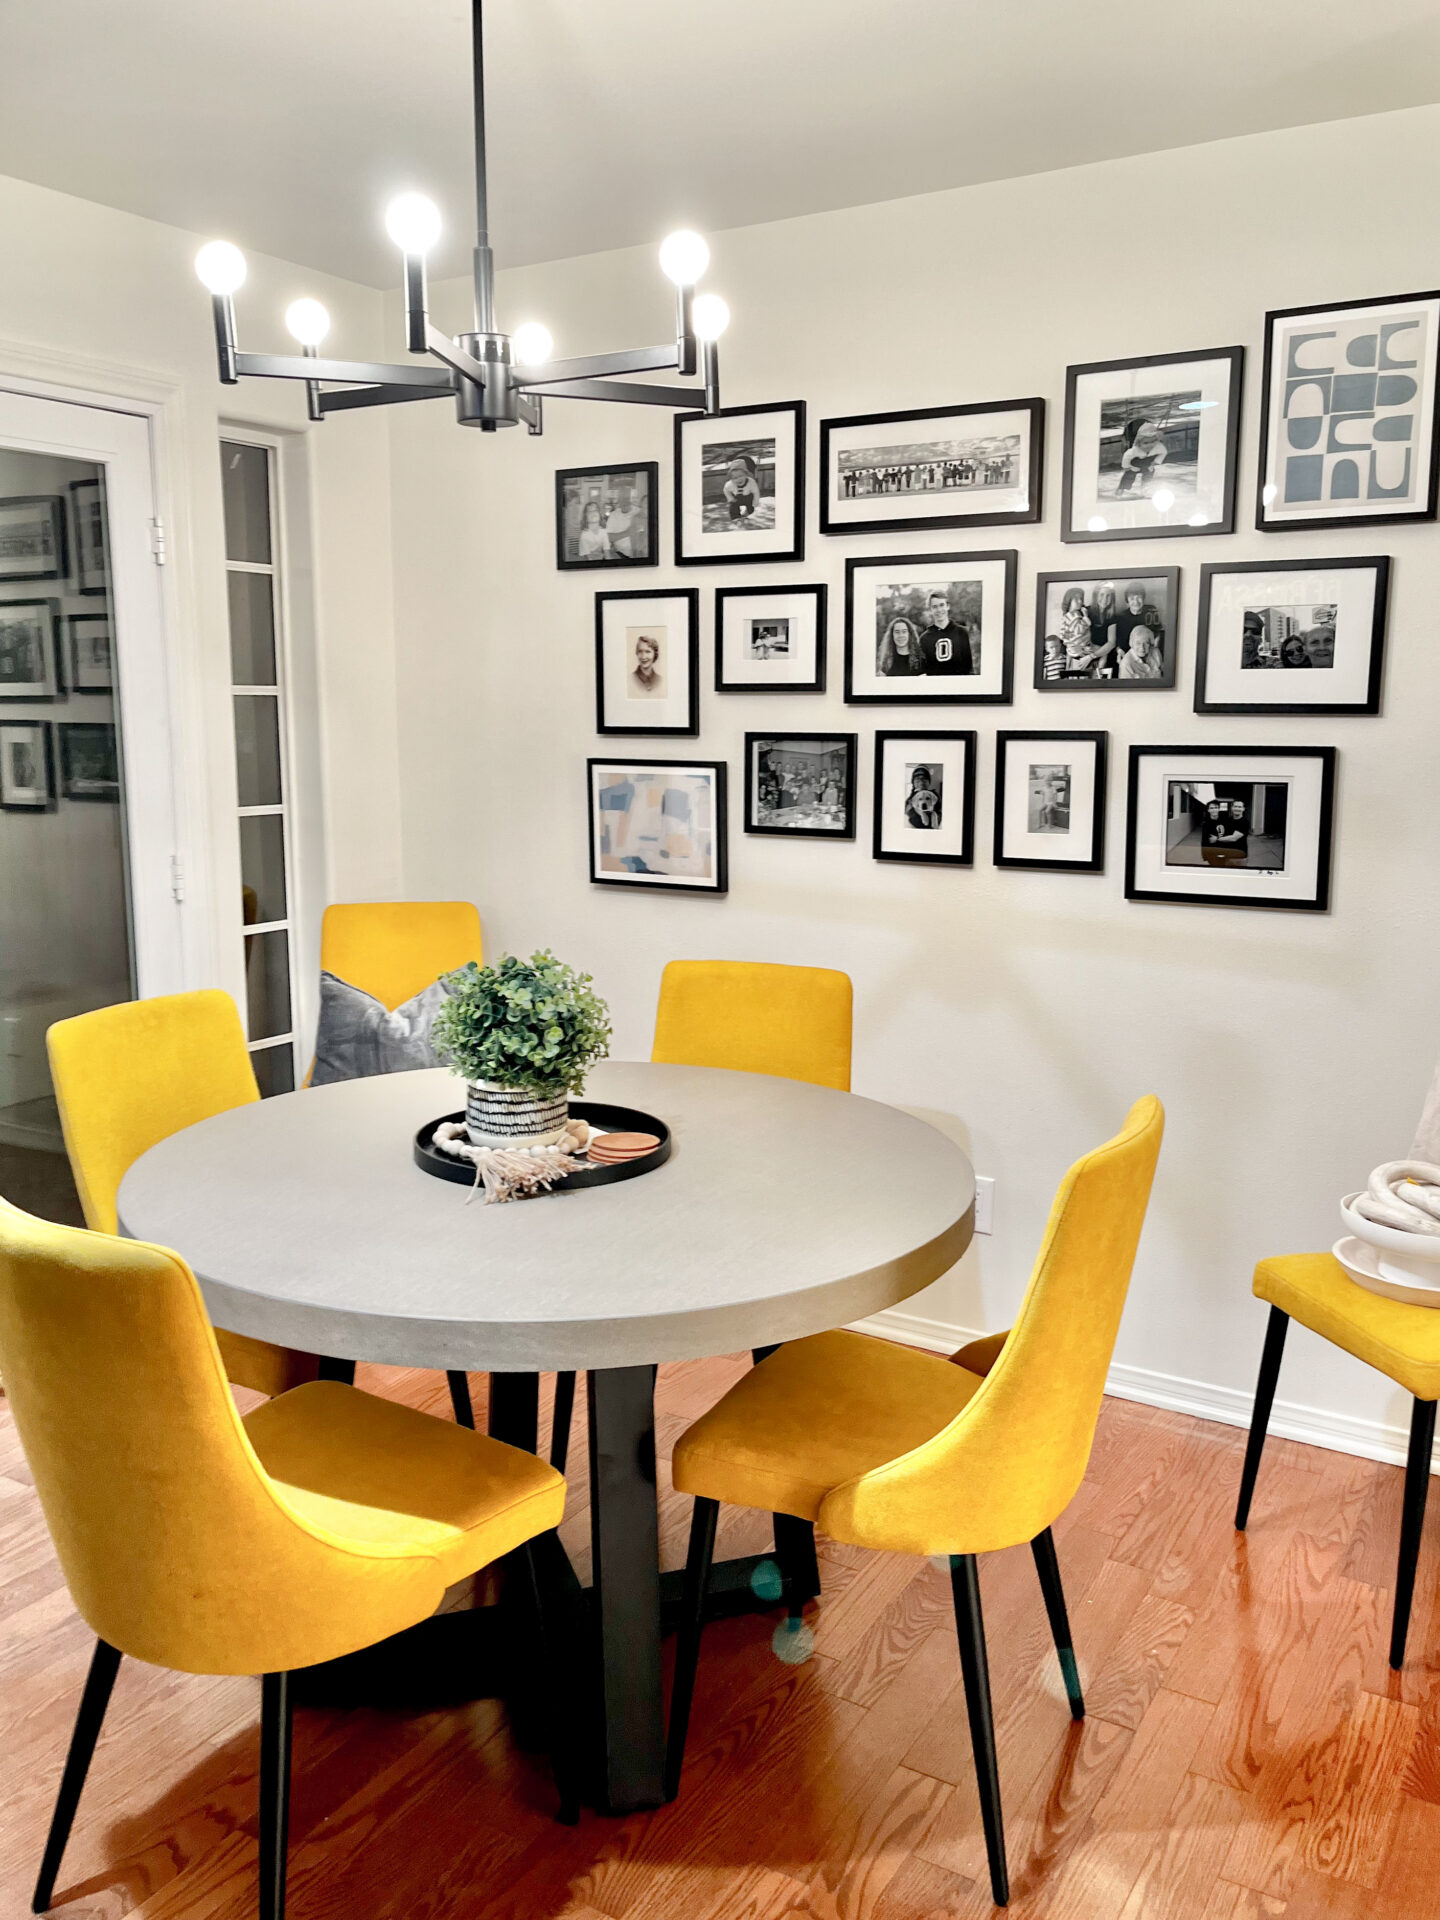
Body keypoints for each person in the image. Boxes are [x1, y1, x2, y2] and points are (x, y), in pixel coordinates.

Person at [918, 589, 976, 674]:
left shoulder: (961, 632)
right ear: (930, 609)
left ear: (948, 606)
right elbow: (923, 670)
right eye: (935, 606)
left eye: (942, 605)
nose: (939, 610)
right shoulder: (925, 638)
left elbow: (968, 667)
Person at [1051, 586, 1099, 678]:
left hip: (1074, 649)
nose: (1080, 601)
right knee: (1102, 651)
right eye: (1076, 599)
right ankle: (1099, 673)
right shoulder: (1074, 616)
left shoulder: (1066, 616)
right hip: (1080, 649)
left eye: (1081, 599)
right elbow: (1079, 630)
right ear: (1069, 601)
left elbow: (1063, 635)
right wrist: (1085, 617)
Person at [1111, 584, 1159, 674]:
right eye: (1132, 599)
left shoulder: (1151, 610)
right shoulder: (1121, 617)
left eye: (1139, 598)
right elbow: (1117, 641)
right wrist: (1119, 651)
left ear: (1143, 598)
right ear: (1127, 601)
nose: (1136, 602)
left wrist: (1154, 651)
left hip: (1147, 653)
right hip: (1129, 656)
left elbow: (1157, 633)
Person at [1116, 417, 1168, 496]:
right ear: (1139, 443)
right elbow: (1126, 457)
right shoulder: (1134, 450)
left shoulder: (1158, 447)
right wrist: (1127, 467)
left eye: (1153, 441)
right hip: (1134, 463)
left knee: (1149, 473)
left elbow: (1163, 452)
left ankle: (1145, 488)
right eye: (1146, 443)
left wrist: (1154, 463)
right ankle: (1122, 488)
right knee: (1129, 475)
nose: (1150, 445)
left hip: (1148, 463)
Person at [723, 456, 761, 524]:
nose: (738, 479)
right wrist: (730, 498)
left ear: (746, 474)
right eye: (735, 478)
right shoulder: (730, 484)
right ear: (731, 478)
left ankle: (746, 514)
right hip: (736, 498)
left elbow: (756, 492)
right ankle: (736, 518)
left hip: (748, 497)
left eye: (740, 476)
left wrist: (755, 502)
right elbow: (725, 490)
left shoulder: (751, 482)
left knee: (751, 507)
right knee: (733, 507)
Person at [630, 633, 664, 698]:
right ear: (636, 653)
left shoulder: (660, 680)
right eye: (640, 651)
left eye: (648, 652)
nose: (643, 656)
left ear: (655, 654)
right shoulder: (630, 679)